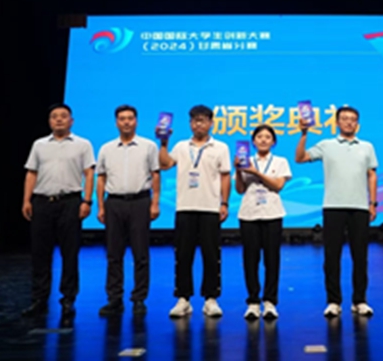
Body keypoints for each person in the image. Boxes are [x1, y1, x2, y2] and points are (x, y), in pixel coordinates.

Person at [295, 106, 378, 317]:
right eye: (344, 118)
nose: (349, 122)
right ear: (337, 123)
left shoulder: (366, 146)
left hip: (360, 207)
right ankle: (333, 301)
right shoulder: (327, 145)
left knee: (360, 256)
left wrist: (373, 203)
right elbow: (300, 158)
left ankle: (359, 300)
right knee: (332, 256)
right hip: (333, 206)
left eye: (353, 119)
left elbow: (371, 175)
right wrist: (304, 134)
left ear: (357, 124)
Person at [21, 103, 95, 317]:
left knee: (69, 253)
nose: (59, 119)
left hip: (70, 202)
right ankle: (39, 299)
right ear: (49, 121)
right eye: (55, 116)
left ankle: (68, 299)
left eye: (63, 116)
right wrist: (26, 201)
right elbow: (31, 173)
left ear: (71, 121)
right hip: (42, 202)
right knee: (40, 253)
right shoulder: (39, 144)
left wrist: (87, 201)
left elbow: (89, 173)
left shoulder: (82, 144)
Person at [159, 105, 231, 318]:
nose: (199, 124)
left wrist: (224, 203)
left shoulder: (220, 147)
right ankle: (183, 299)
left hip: (210, 208)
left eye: (203, 120)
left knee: (211, 255)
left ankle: (211, 299)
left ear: (211, 123)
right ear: (190, 123)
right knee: (183, 255)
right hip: (185, 207)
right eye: (195, 120)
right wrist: (163, 143)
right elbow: (165, 164)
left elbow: (225, 176)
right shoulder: (181, 146)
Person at [96, 105, 161, 316]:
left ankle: (139, 298)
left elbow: (156, 175)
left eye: (130, 118)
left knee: (141, 253)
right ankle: (114, 298)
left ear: (136, 121)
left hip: (140, 201)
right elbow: (101, 178)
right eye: (122, 119)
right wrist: (100, 206)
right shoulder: (106, 148)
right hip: (114, 202)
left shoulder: (148, 146)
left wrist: (155, 203)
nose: (126, 122)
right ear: (116, 122)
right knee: (114, 253)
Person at [235, 125, 293, 320]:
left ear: (273, 142)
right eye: (259, 137)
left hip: (272, 214)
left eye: (268, 137)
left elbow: (278, 185)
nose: (263, 140)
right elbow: (240, 190)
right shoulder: (245, 160)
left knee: (272, 260)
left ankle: (270, 302)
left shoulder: (280, 161)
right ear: (253, 141)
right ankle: (253, 302)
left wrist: (256, 173)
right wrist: (238, 170)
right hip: (249, 214)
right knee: (250, 260)